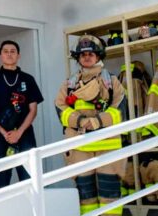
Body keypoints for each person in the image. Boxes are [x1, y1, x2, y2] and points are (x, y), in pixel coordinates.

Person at [55, 34, 126, 215]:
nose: (87, 57)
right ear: (78, 58)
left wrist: (97, 122)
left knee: (109, 192)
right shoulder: (70, 84)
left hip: (107, 147)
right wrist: (79, 121)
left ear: (99, 56)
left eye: (91, 54)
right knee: (85, 195)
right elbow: (60, 107)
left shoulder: (112, 81)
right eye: (83, 54)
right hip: (80, 147)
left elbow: (119, 110)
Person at [0, 40, 44, 190]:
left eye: (13, 51)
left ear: (18, 55)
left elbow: (33, 110)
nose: (9, 54)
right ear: (0, 55)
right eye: (6, 51)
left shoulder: (28, 79)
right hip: (0, 135)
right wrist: (4, 133)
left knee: (29, 176)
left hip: (24, 134)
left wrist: (19, 132)